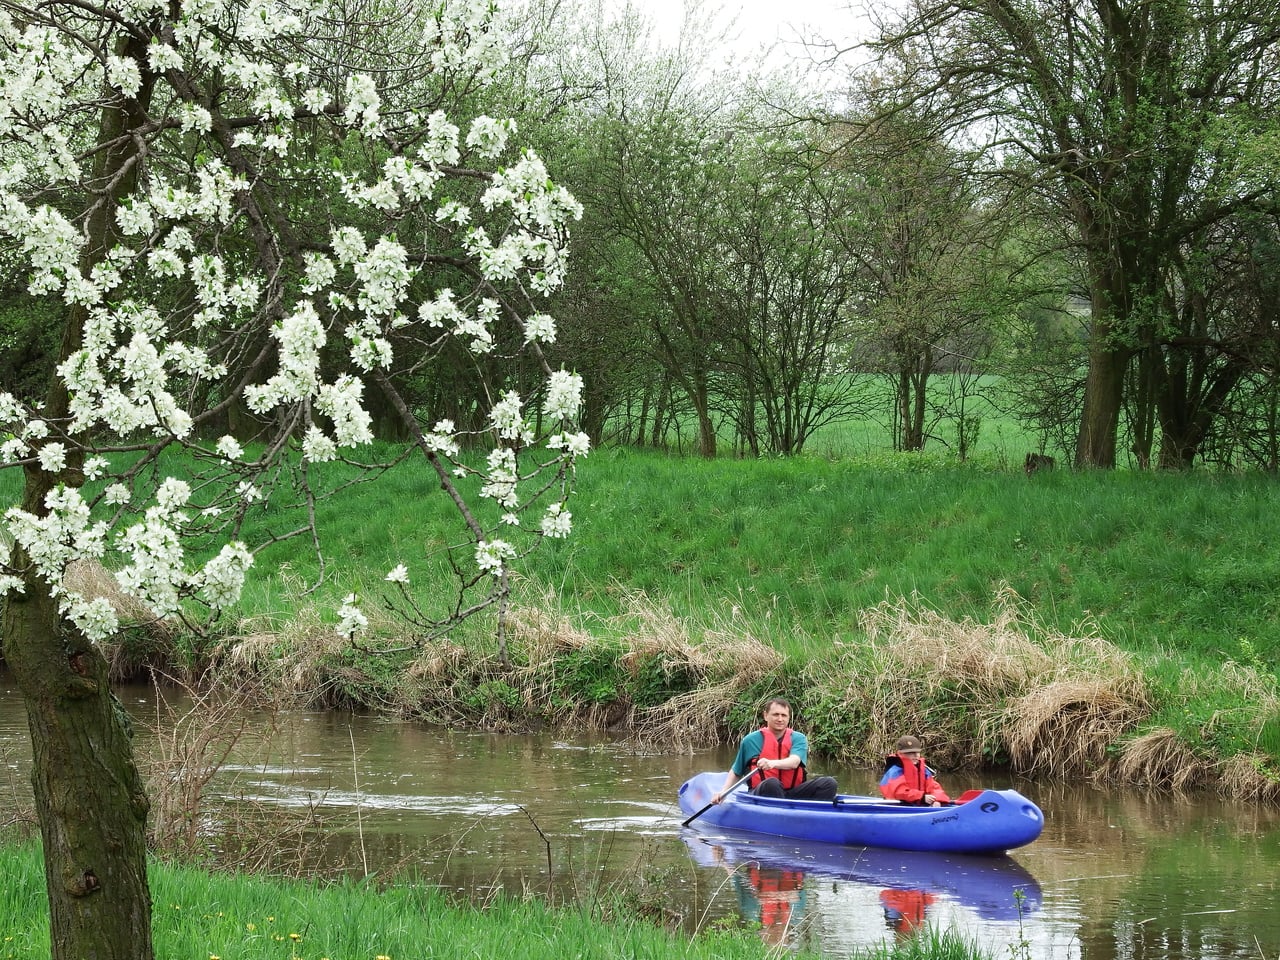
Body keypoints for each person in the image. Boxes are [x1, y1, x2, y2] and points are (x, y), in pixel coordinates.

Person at [712, 698, 838, 803]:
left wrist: (772, 763)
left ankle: (813, 815)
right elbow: (736, 771)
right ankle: (780, 816)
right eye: (775, 714)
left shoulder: (798, 738)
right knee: (772, 783)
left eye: (784, 715)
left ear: (789, 718)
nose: (780, 719)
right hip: (761, 793)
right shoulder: (750, 741)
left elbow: (794, 762)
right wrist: (723, 792)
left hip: (792, 793)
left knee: (829, 783)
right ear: (765, 716)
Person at [879, 735, 950, 806]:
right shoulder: (895, 771)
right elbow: (899, 792)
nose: (916, 755)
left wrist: (937, 800)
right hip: (898, 808)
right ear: (900, 753)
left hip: (917, 805)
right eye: (911, 753)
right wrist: (922, 797)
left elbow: (935, 788)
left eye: (917, 752)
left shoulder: (924, 771)